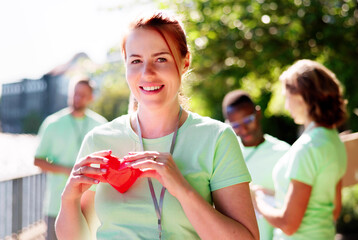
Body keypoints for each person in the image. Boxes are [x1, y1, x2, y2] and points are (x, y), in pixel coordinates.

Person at [55, 10, 259, 240]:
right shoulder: (99, 140)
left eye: (161, 59)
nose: (147, 73)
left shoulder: (217, 138)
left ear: (185, 62)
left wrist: (183, 190)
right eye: (136, 61)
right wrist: (68, 198)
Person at [252, 59, 348, 239]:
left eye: (287, 97)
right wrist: (274, 194)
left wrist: (256, 202)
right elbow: (332, 209)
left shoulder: (307, 147)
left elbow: (288, 224)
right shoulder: (335, 141)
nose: (287, 106)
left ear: (304, 97)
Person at [34, 77, 107, 240]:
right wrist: (69, 170)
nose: (77, 97)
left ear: (91, 98)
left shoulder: (101, 125)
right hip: (56, 206)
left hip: (91, 206)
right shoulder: (52, 123)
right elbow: (37, 160)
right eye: (75, 93)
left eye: (82, 94)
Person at [222, 90, 290, 240]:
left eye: (248, 120)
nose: (244, 129)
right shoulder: (224, 156)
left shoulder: (284, 154)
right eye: (235, 125)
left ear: (258, 114)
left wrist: (267, 195)